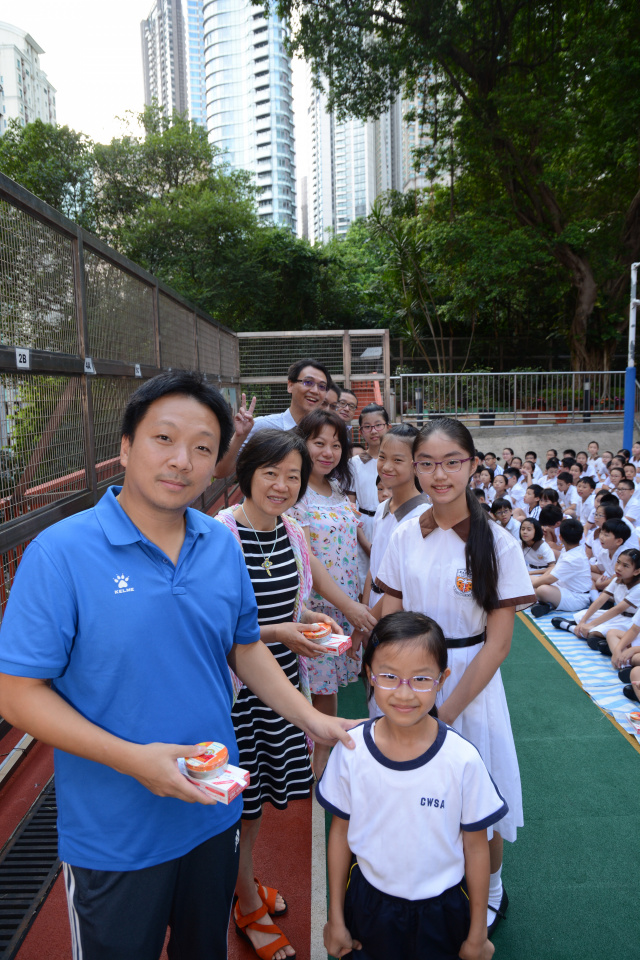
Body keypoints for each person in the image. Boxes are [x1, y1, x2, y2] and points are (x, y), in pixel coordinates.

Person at [0, 373, 360, 960]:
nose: (181, 460)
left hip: (212, 807)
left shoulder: (219, 545)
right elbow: (16, 693)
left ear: (217, 462)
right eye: (163, 438)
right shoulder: (60, 553)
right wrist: (134, 761)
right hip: (116, 833)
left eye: (202, 447)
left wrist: (310, 718)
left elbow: (244, 646)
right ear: (125, 447)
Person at [375, 418, 534, 934]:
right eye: (426, 463)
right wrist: (393, 687)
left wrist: (444, 712)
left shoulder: (499, 544)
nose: (438, 475)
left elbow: (498, 644)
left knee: (481, 796)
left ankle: (493, 890)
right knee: (419, 793)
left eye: (451, 462)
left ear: (472, 464)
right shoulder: (405, 533)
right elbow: (391, 614)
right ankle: (437, 883)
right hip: (409, 683)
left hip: (470, 685)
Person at [215, 429, 343, 960]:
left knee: (259, 797)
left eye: (293, 475)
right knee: (237, 804)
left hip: (283, 685)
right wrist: (281, 634)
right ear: (247, 474)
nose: (282, 485)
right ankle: (246, 902)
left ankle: (244, 882)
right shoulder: (219, 534)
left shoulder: (292, 532)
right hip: (235, 695)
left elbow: (292, 604)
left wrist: (309, 622)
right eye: (270, 472)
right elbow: (216, 627)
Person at [319, 612, 506, 960]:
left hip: (443, 909)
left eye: (421, 678)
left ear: (442, 679)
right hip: (369, 904)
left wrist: (478, 933)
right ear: (370, 675)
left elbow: (477, 849)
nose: (404, 693)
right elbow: (340, 833)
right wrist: (336, 918)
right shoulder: (351, 751)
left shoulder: (462, 759)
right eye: (389, 676)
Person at [290, 409, 365, 777]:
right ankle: (313, 766)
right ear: (301, 443)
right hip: (318, 609)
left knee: (328, 688)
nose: (328, 452)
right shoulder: (297, 493)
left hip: (343, 605)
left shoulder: (334, 488)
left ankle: (321, 762)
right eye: (318, 442)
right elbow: (308, 563)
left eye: (336, 445)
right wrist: (349, 606)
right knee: (315, 689)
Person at [215, 358, 332, 478]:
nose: (315, 391)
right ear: (290, 385)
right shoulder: (261, 427)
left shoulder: (327, 432)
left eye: (322, 386)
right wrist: (240, 436)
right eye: (308, 382)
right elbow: (219, 472)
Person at [362, 423, 431, 613]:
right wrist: (364, 611)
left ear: (416, 465)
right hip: (373, 606)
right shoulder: (382, 508)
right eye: (382, 457)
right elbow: (374, 565)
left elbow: (403, 585)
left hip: (396, 611)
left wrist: (370, 622)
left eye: (397, 460)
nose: (386, 466)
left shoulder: (422, 517)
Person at [552, 549, 640, 656]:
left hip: (631, 621)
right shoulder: (617, 579)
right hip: (619, 616)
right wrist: (583, 621)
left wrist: (590, 625)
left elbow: (617, 609)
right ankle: (582, 630)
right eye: (618, 562)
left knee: (596, 632)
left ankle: (572, 628)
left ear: (636, 571)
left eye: (625, 566)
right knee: (581, 616)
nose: (618, 568)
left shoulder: (638, 588)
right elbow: (600, 600)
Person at [350, 403, 390, 589]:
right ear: (361, 431)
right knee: (364, 577)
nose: (373, 431)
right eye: (367, 426)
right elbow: (350, 506)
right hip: (363, 527)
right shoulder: (355, 463)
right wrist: (365, 543)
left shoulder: (396, 460)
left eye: (378, 425)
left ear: (388, 427)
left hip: (391, 521)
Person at [530, 518, 591, 617]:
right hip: (562, 587)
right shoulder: (569, 550)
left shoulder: (573, 557)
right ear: (581, 537)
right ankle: (547, 604)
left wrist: (529, 587)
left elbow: (550, 579)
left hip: (577, 597)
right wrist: (534, 583)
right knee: (530, 580)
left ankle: (546, 603)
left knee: (542, 589)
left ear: (560, 537)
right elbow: (553, 570)